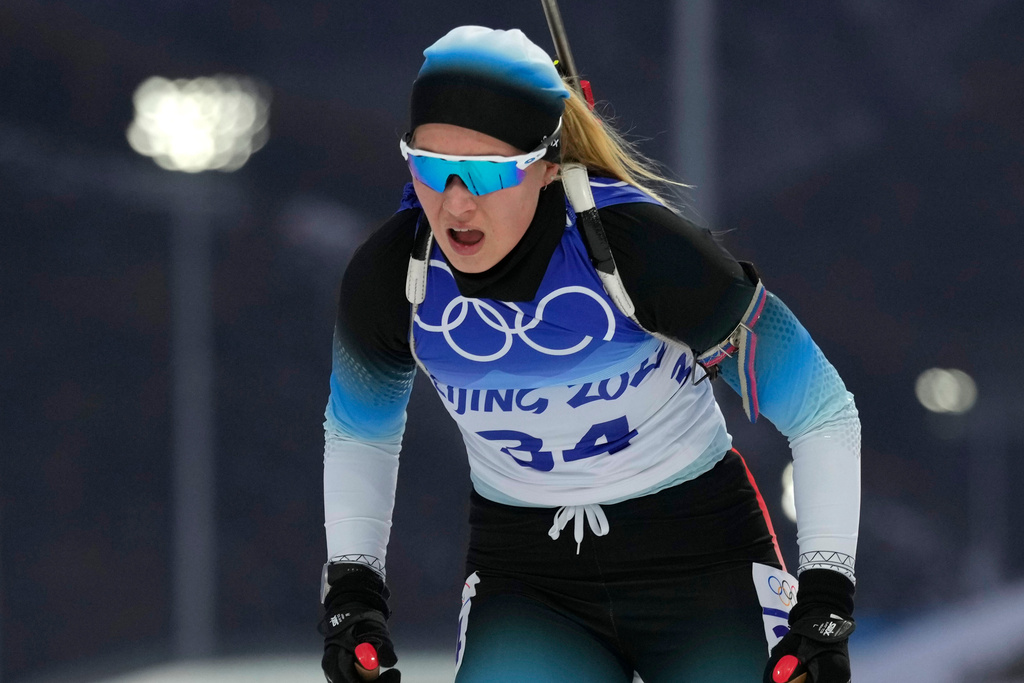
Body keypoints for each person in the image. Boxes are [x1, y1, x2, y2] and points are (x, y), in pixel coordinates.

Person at [318, 25, 861, 683]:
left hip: (700, 562)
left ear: (547, 164)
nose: (455, 201)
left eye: (487, 171)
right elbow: (361, 433)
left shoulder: (638, 249)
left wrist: (827, 595)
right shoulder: (392, 274)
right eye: (430, 165)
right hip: (531, 582)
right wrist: (353, 590)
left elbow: (820, 409)